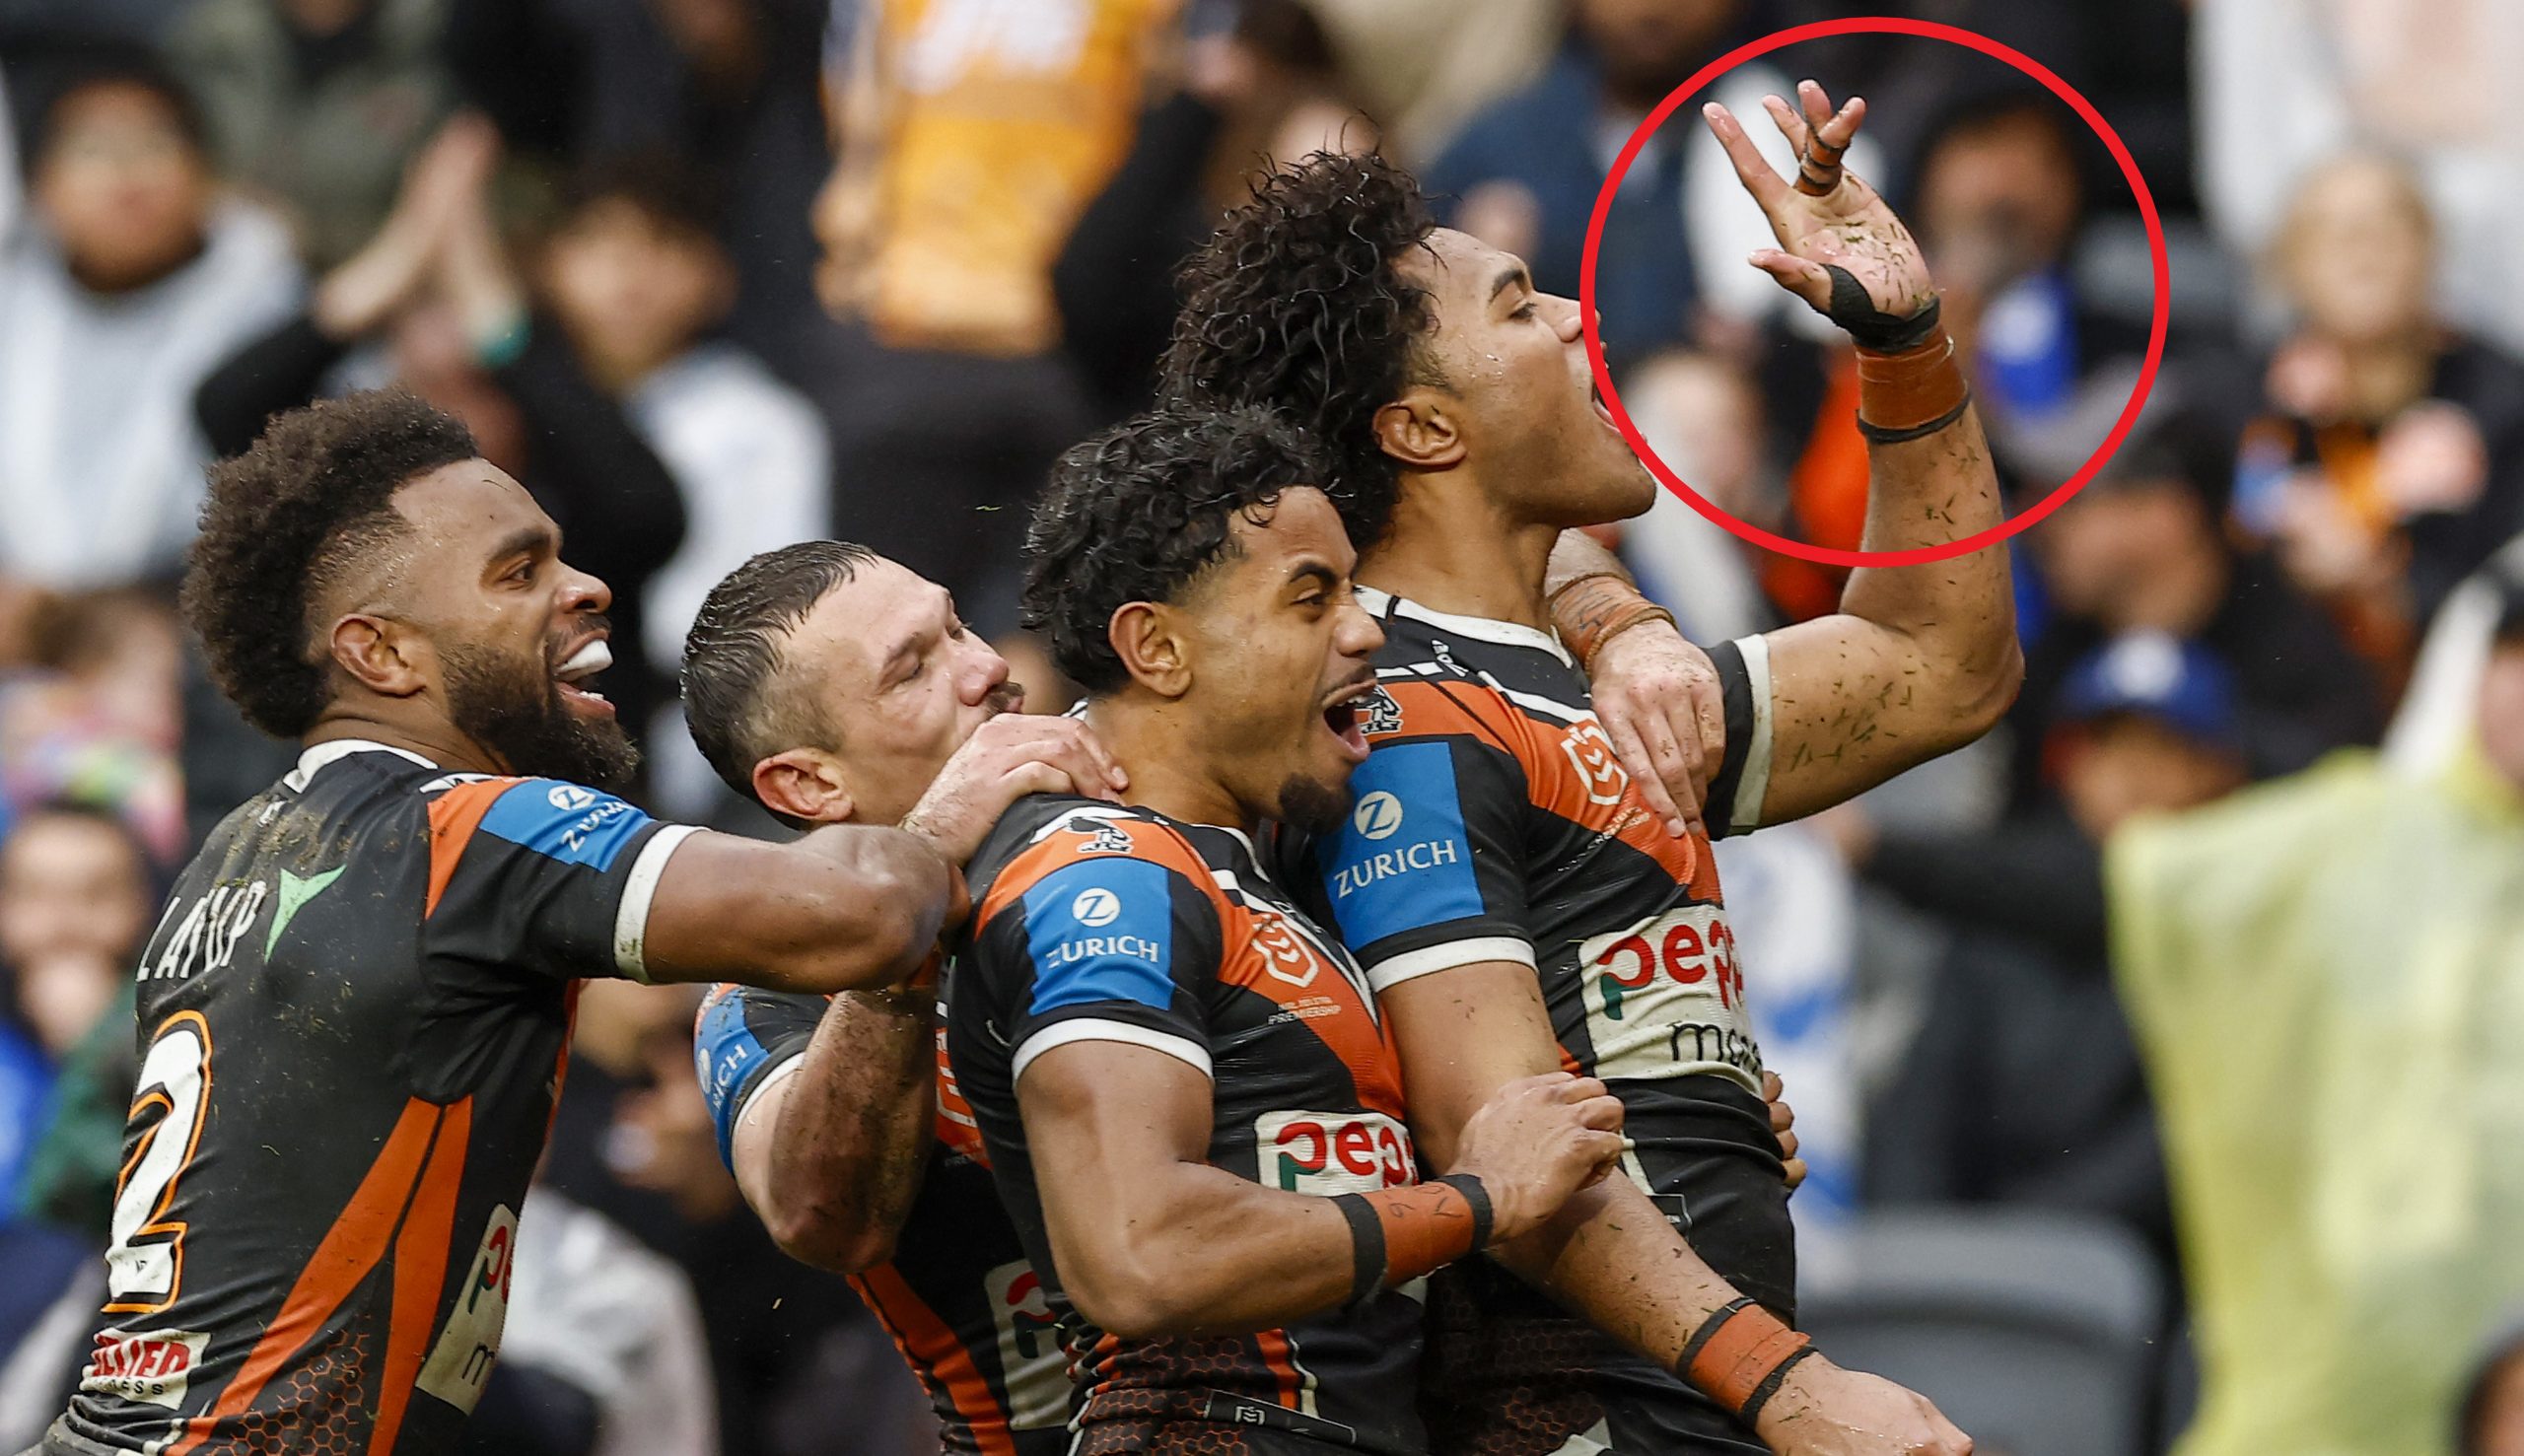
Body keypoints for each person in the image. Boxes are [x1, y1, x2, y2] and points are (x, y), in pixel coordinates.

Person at [1161, 84, 2013, 1452]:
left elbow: (1944, 663)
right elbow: (1496, 1139)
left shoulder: (1598, 693)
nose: (1575, 317)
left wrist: (1904, 341)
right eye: (1518, 308)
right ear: (1423, 430)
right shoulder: (1400, 719)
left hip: (1692, 1399)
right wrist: (1795, 1388)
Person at [21, 390, 1014, 1456]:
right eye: (518, 571)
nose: (586, 588)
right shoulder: (465, 827)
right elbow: (865, 913)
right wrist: (974, 791)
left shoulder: (227, 860)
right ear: (383, 654)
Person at [678, 527, 1810, 1450]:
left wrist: (1649, 1117)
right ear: (808, 784)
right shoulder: (765, 997)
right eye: (913, 670)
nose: (986, 666)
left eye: (957, 627)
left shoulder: (1189, 806)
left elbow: (1429, 515)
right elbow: (824, 1215)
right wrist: (920, 872)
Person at [946, 405, 1637, 1454]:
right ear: (1157, 647)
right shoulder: (1108, 876)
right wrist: (1481, 1197)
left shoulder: (1242, 870)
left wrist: (1631, 1139)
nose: (1363, 631)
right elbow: (1138, 1251)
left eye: (1354, 590)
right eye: (1312, 598)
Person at [2110, 564, 2524, 1454]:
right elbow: (2125, 881)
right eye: (2515, 658)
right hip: (2343, 1380)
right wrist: (1879, 849)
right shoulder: (2350, 835)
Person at [193, 117, 690, 737]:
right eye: (425, 391)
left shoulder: (580, 496)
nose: (449, 422)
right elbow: (225, 410)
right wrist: (397, 259)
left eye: (480, 384)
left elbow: (648, 512)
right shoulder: (351, 504)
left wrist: (500, 329)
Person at [0, 45, 302, 592]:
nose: (127, 178)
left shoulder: (277, 305)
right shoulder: (15, 298)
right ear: (41, 188)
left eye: (154, 144)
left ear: (208, 176)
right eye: (93, 150)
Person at [166, 0, 453, 268]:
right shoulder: (215, 36)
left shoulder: (433, 46)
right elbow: (164, 149)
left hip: (368, 277)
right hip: (212, 269)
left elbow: (446, 207)